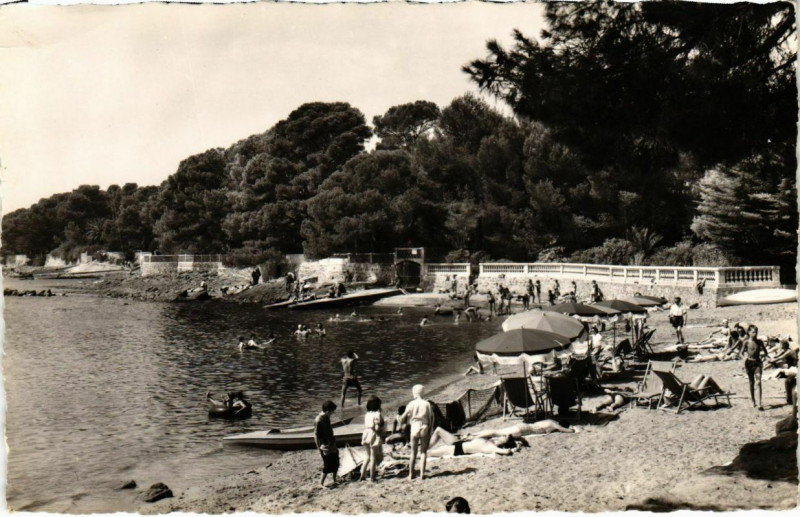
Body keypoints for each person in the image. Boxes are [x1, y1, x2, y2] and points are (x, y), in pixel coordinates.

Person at [400, 384, 435, 481]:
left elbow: (403, 417)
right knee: (423, 452)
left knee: (413, 453)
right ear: (423, 393)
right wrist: (430, 429)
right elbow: (431, 418)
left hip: (414, 427)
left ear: (414, 393)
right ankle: (422, 474)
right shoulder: (427, 404)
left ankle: (411, 474)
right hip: (424, 427)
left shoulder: (411, 404)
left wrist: (401, 422)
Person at [743, 324, 771, 410]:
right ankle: (753, 401)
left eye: (756, 332)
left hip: (757, 363)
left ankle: (759, 403)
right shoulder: (746, 342)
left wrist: (765, 357)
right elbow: (741, 353)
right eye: (753, 332)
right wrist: (744, 359)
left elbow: (765, 351)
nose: (755, 334)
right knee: (751, 383)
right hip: (749, 363)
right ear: (749, 332)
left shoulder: (760, 342)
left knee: (758, 382)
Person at [314, 400, 340, 488]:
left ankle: (334, 479)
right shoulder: (319, 420)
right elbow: (316, 436)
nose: (332, 414)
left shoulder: (326, 417)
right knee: (327, 464)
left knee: (336, 460)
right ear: (328, 411)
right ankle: (321, 483)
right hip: (324, 444)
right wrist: (319, 448)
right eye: (332, 412)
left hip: (331, 442)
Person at [359, 396, 385, 482]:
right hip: (373, 435)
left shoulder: (367, 414)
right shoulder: (377, 414)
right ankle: (372, 477)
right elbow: (377, 428)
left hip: (366, 434)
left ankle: (362, 475)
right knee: (373, 457)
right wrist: (382, 426)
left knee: (367, 456)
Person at [767, 338, 798, 405]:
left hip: (795, 369)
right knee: (788, 381)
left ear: (783, 345)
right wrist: (771, 359)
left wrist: (773, 360)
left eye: (780, 345)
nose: (779, 346)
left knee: (788, 381)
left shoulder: (789, 351)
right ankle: (789, 399)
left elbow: (780, 357)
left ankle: (789, 400)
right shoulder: (785, 350)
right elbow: (777, 356)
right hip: (791, 368)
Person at [473, 420, 574, 439]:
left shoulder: (550, 421)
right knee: (496, 433)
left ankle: (473, 434)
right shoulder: (554, 424)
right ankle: (474, 436)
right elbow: (567, 431)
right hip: (523, 430)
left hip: (523, 426)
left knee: (497, 431)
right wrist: (571, 429)